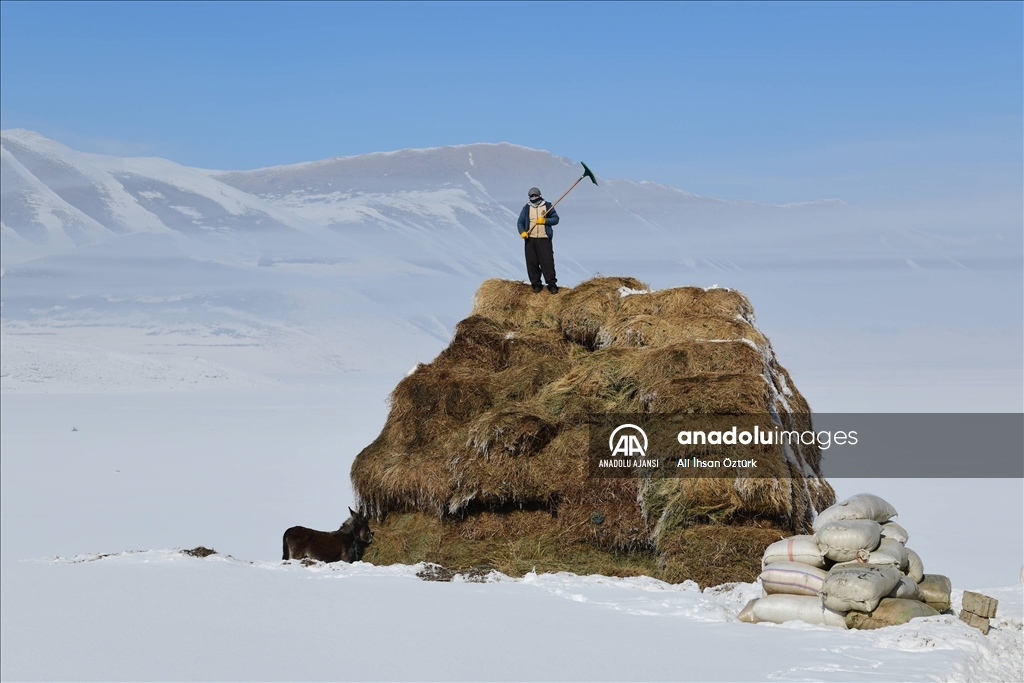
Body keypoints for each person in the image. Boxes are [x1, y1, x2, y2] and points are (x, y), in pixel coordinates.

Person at [517, 187, 560, 294]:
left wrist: (545, 221)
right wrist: (522, 232)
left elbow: (556, 219)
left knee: (547, 262)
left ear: (540, 195)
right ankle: (536, 284)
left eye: (535, 195)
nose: (534, 197)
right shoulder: (526, 208)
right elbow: (520, 222)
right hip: (530, 239)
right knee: (532, 263)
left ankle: (552, 285)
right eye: (532, 196)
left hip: (544, 239)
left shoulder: (547, 206)